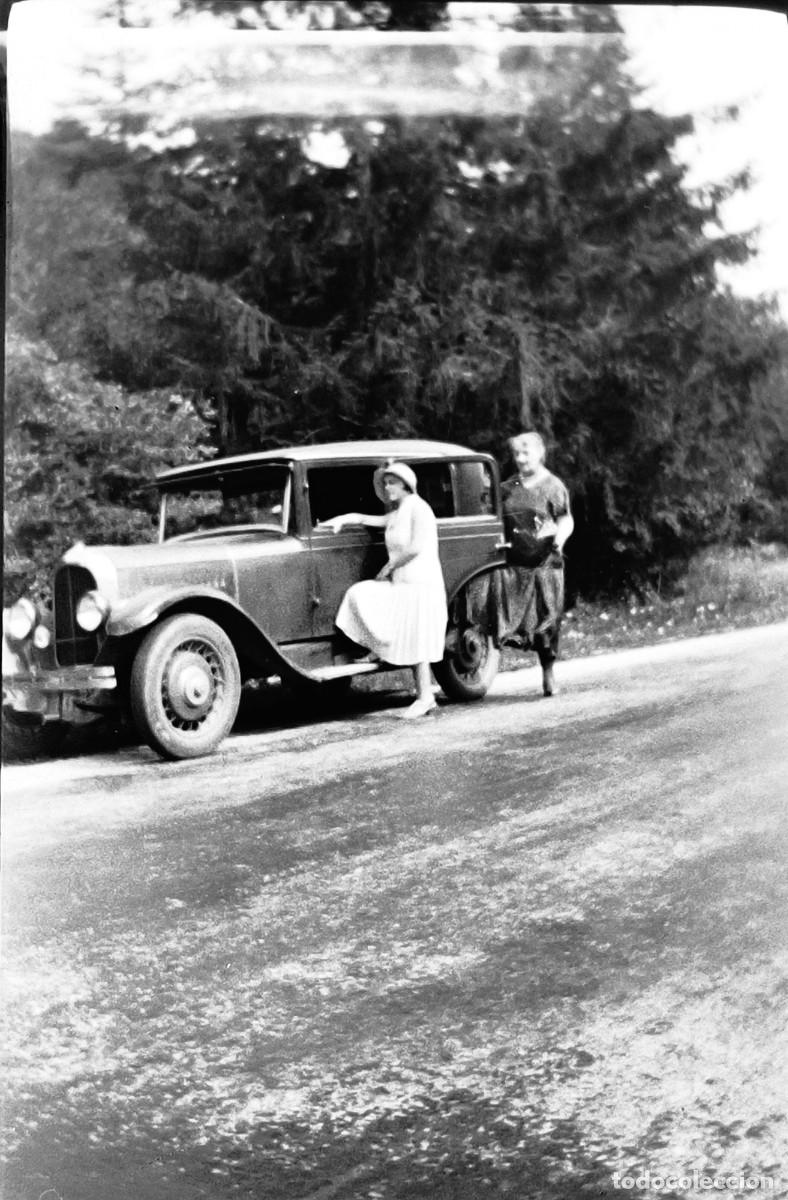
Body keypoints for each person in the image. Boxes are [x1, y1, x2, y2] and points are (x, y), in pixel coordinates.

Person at [320, 462, 448, 719]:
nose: (387, 487)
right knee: (360, 594)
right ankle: (380, 649)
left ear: (404, 484)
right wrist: (341, 520)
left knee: (417, 640)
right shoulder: (397, 513)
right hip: (402, 582)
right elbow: (364, 518)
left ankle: (425, 697)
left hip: (421, 582)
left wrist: (388, 567)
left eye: (391, 482)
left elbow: (415, 547)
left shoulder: (419, 508)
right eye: (386, 482)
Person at [499, 431, 574, 697]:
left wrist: (559, 541)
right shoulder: (508, 488)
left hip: (545, 563)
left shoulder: (553, 485)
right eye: (517, 454)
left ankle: (548, 672)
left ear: (540, 453)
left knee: (547, 619)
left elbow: (565, 519)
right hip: (515, 563)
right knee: (510, 618)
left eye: (526, 453)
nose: (520, 459)